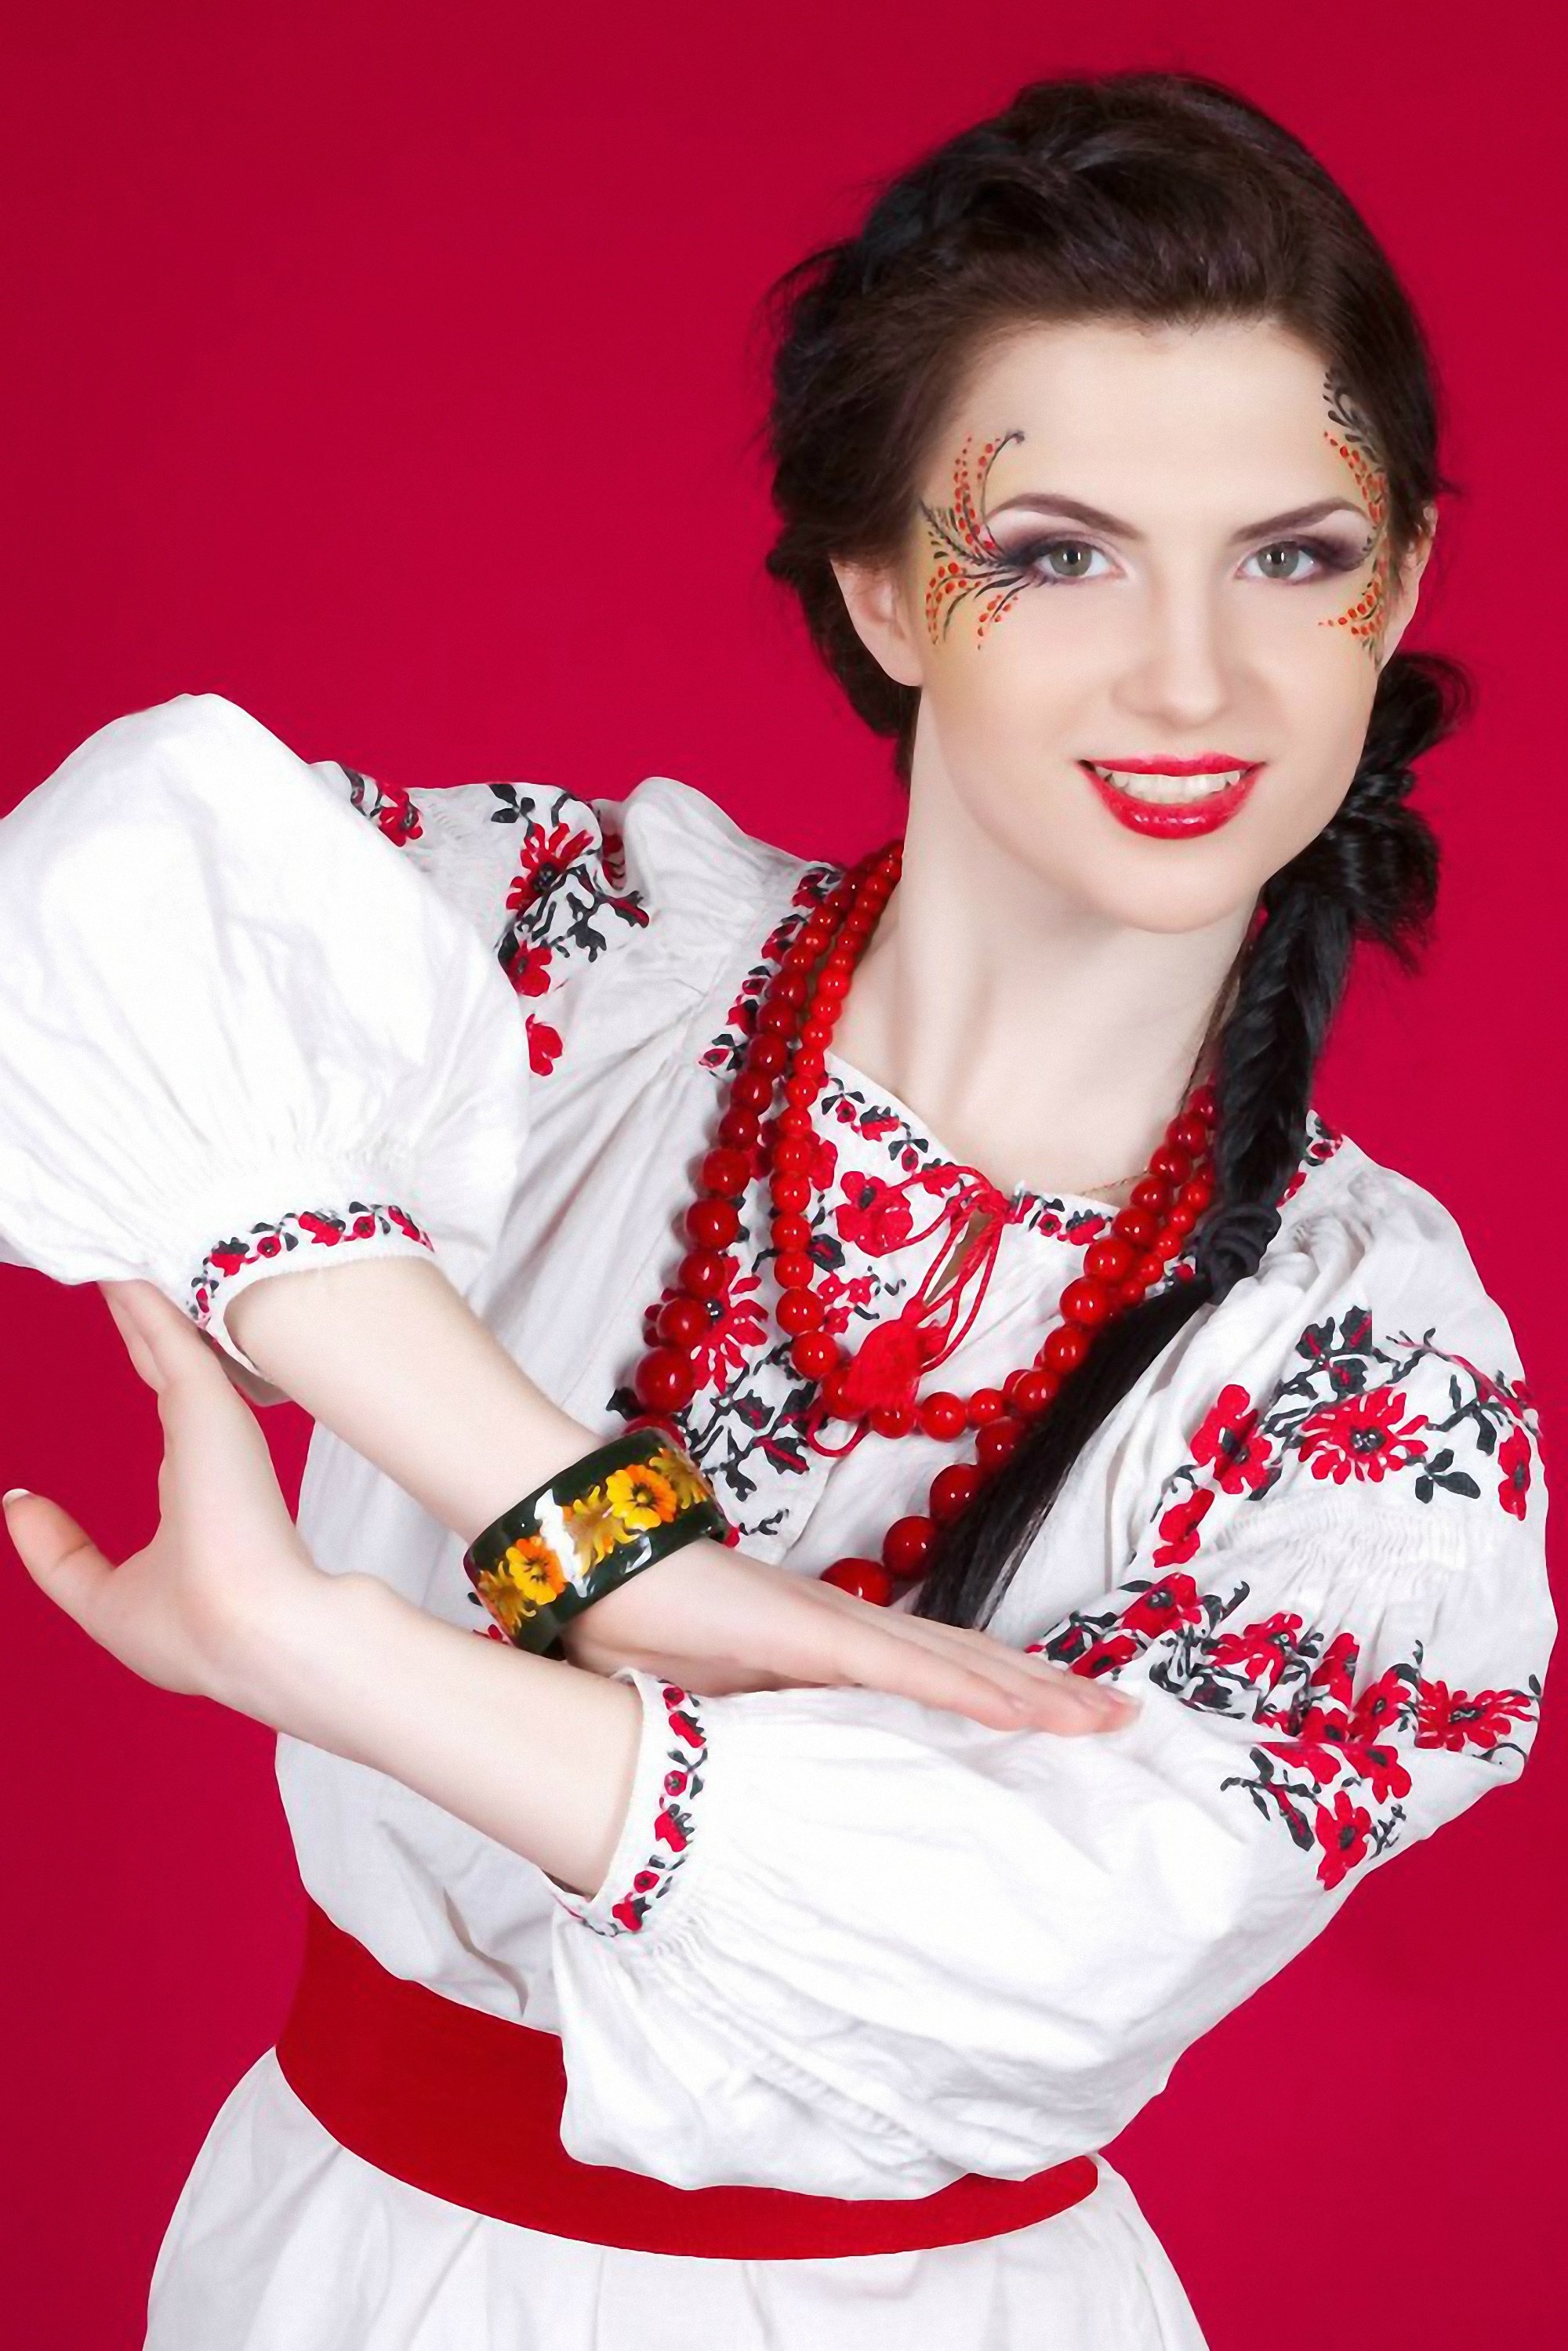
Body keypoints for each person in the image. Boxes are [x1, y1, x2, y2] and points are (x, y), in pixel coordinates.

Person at [0, 66, 1554, 2351]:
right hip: (331, 2262)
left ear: (1396, 585)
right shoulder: (591, 964)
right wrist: (585, 1522)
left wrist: (322, 1651)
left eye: (1294, 558)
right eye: (1057, 554)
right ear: (882, 589)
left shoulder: (1367, 1364)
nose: (1193, 676)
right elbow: (93, 895)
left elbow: (1039, 1942)